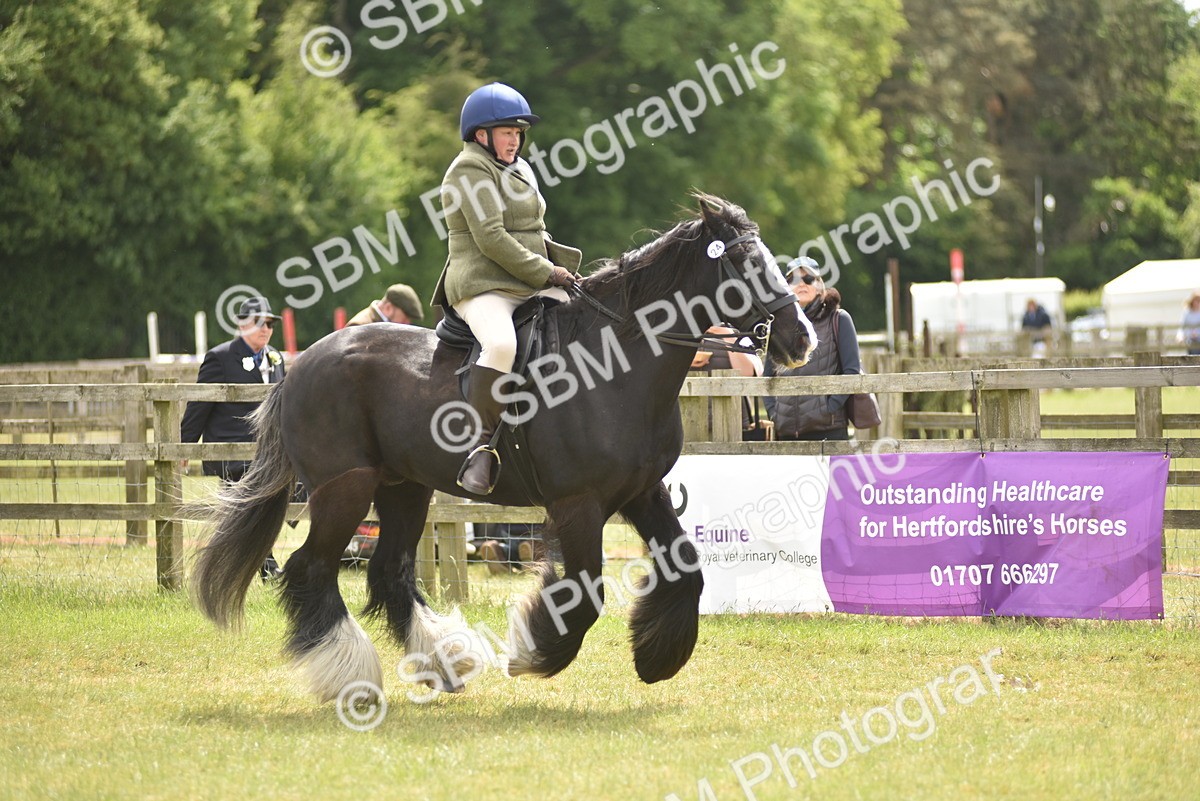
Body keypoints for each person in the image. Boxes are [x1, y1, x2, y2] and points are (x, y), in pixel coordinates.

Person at [431, 82, 582, 496]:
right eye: (507, 132)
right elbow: (492, 239)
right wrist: (547, 273)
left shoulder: (520, 167)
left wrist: (565, 269)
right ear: (482, 135)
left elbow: (535, 228)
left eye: (518, 132)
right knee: (500, 345)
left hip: (526, 279)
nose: (515, 139)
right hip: (482, 285)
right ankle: (480, 445)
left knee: (584, 321)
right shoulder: (468, 170)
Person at [181, 297, 286, 580]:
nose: (266, 329)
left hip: (268, 450)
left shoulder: (276, 357)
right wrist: (184, 445)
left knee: (259, 509)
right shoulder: (221, 357)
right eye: (259, 322)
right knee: (244, 510)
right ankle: (260, 566)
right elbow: (200, 404)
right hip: (232, 450)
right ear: (242, 324)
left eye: (270, 324)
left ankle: (254, 566)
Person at [764, 257, 863, 441]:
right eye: (793, 280)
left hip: (828, 431)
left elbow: (852, 372)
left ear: (819, 284)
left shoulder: (839, 319)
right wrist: (774, 414)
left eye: (808, 279)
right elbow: (768, 375)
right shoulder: (778, 325)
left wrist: (829, 409)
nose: (801, 284)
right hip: (785, 433)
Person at [346, 283, 425, 326]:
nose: (407, 323)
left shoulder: (377, 324)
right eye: (404, 318)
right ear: (388, 308)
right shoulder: (359, 326)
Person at [1184, 291, 1200, 356]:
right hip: (1190, 340)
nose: (1197, 303)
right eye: (1196, 301)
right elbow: (1183, 327)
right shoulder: (1187, 313)